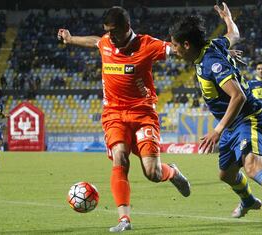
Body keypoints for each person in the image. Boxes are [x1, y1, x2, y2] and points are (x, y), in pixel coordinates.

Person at [169, 2, 262, 230]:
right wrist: (228, 18)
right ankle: (248, 201)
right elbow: (234, 33)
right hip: (232, 125)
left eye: (175, 46)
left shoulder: (210, 63)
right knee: (226, 175)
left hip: (247, 118)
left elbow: (238, 96)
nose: (173, 50)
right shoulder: (213, 47)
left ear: (187, 44)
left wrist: (217, 130)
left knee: (253, 167)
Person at [57, 6, 190, 233]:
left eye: (114, 31)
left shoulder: (147, 45)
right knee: (120, 157)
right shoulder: (107, 42)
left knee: (152, 173)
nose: (111, 36)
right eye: (107, 31)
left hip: (143, 114)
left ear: (127, 27)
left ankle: (172, 172)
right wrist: (70, 39)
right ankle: (124, 220)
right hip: (114, 115)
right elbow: (96, 41)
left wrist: (214, 52)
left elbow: (178, 50)